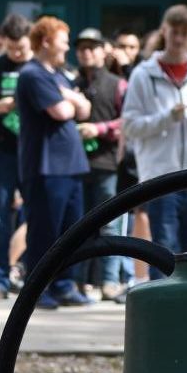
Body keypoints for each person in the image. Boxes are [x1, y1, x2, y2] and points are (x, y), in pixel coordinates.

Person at [122, 4, 187, 271]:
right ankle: (162, 308)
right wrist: (168, 117)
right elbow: (130, 126)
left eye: (186, 32)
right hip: (161, 175)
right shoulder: (143, 74)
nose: (180, 38)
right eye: (175, 31)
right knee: (163, 247)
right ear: (164, 31)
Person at [15, 16, 92, 308]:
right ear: (46, 41)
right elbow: (62, 112)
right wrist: (72, 99)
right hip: (46, 168)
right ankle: (36, 290)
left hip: (70, 166)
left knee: (72, 231)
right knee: (44, 232)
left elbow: (85, 109)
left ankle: (64, 285)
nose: (67, 47)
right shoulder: (32, 74)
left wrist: (69, 96)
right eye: (63, 40)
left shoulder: (59, 76)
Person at [73, 28, 128, 300]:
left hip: (106, 164)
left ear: (103, 50)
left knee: (109, 224)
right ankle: (80, 282)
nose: (87, 52)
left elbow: (127, 122)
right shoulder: (71, 82)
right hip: (75, 165)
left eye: (92, 47)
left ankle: (109, 281)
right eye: (82, 48)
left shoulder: (118, 83)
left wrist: (100, 129)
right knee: (78, 227)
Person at [0, 14, 32, 299]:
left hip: (35, 151)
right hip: (6, 150)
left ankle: (32, 272)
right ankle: (1, 276)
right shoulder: (1, 66)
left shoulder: (38, 67)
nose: (17, 54)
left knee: (38, 213)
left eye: (21, 48)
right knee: (2, 214)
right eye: (12, 49)